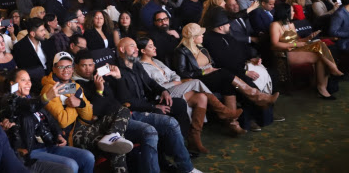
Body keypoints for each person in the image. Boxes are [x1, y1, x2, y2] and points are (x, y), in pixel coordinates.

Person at [137, 37, 241, 153]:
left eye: (153, 45)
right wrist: (173, 83)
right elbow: (153, 87)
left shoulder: (156, 61)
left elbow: (174, 74)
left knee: (201, 97)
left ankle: (194, 139)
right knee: (196, 82)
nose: (155, 47)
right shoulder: (141, 66)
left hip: (175, 87)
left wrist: (176, 81)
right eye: (151, 46)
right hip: (162, 94)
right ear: (143, 51)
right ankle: (223, 111)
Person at [114, 38, 202, 173]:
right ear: (122, 49)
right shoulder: (116, 70)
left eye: (136, 46)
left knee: (178, 104)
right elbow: (127, 101)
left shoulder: (136, 65)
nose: (136, 49)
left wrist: (163, 91)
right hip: (133, 110)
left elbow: (151, 82)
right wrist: (153, 107)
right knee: (163, 116)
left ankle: (177, 147)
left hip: (147, 103)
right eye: (132, 46)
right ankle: (165, 159)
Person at [41, 52, 133, 172]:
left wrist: (79, 103)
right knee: (116, 148)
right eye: (61, 67)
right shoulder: (50, 89)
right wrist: (74, 106)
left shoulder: (74, 85)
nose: (66, 70)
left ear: (72, 68)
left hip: (86, 125)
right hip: (70, 134)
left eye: (69, 66)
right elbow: (63, 121)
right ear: (54, 68)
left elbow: (88, 115)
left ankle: (113, 134)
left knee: (123, 110)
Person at [0, 69, 95, 173]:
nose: (28, 83)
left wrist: (58, 134)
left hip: (49, 144)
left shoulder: (32, 98)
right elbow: (30, 106)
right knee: (71, 165)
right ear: (12, 84)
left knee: (88, 157)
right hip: (32, 151)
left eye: (29, 80)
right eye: (23, 80)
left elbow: (50, 119)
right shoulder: (10, 102)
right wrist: (46, 97)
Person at [174, 23, 279, 117]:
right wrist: (203, 71)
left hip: (210, 75)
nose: (202, 35)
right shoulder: (181, 51)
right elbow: (182, 73)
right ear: (193, 38)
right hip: (198, 80)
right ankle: (257, 96)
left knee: (228, 84)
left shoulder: (201, 48)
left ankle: (233, 123)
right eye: (200, 34)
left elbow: (212, 63)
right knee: (225, 73)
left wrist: (212, 69)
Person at [270, 2, 343, 99]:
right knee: (320, 55)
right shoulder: (275, 25)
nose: (293, 13)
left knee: (321, 46)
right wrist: (296, 44)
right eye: (292, 11)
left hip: (296, 48)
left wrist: (308, 38)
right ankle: (328, 79)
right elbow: (275, 44)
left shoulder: (290, 24)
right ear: (285, 12)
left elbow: (297, 40)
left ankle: (326, 82)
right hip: (285, 52)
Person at [12, 18, 48, 87]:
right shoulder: (19, 47)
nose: (45, 33)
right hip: (32, 84)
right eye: (41, 31)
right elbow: (21, 70)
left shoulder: (46, 43)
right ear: (32, 34)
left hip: (49, 80)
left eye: (44, 30)